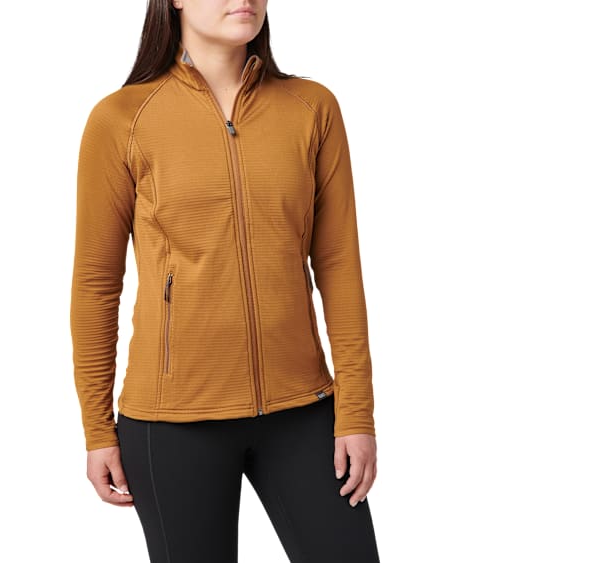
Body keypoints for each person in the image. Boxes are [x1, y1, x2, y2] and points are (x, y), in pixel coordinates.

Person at [70, 1, 380, 561]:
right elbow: (96, 284)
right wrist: (97, 428)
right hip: (172, 423)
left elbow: (339, 265)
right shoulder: (121, 119)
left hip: (303, 411)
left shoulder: (312, 108)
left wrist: (356, 411)